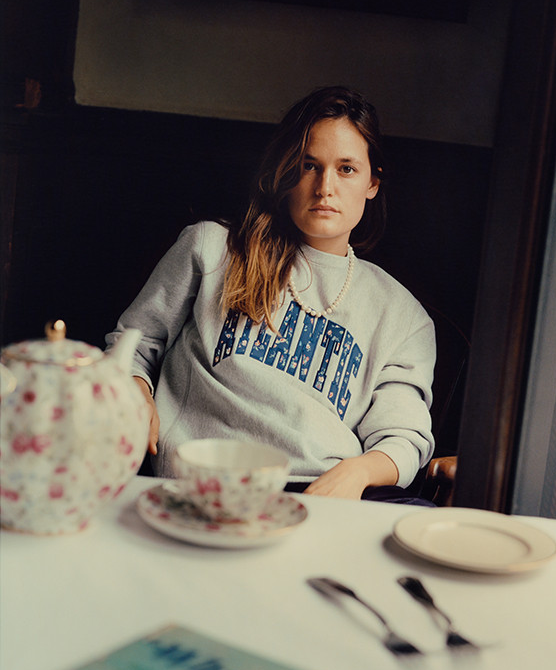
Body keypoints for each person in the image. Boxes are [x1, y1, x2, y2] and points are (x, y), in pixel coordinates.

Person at [106, 86, 435, 502]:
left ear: (372, 182)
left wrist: (358, 472)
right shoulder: (213, 248)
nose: (325, 187)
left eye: (346, 169)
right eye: (309, 165)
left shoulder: (403, 315)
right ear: (285, 173)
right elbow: (133, 346)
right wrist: (136, 390)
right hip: (205, 483)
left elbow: (403, 437)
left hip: (322, 493)